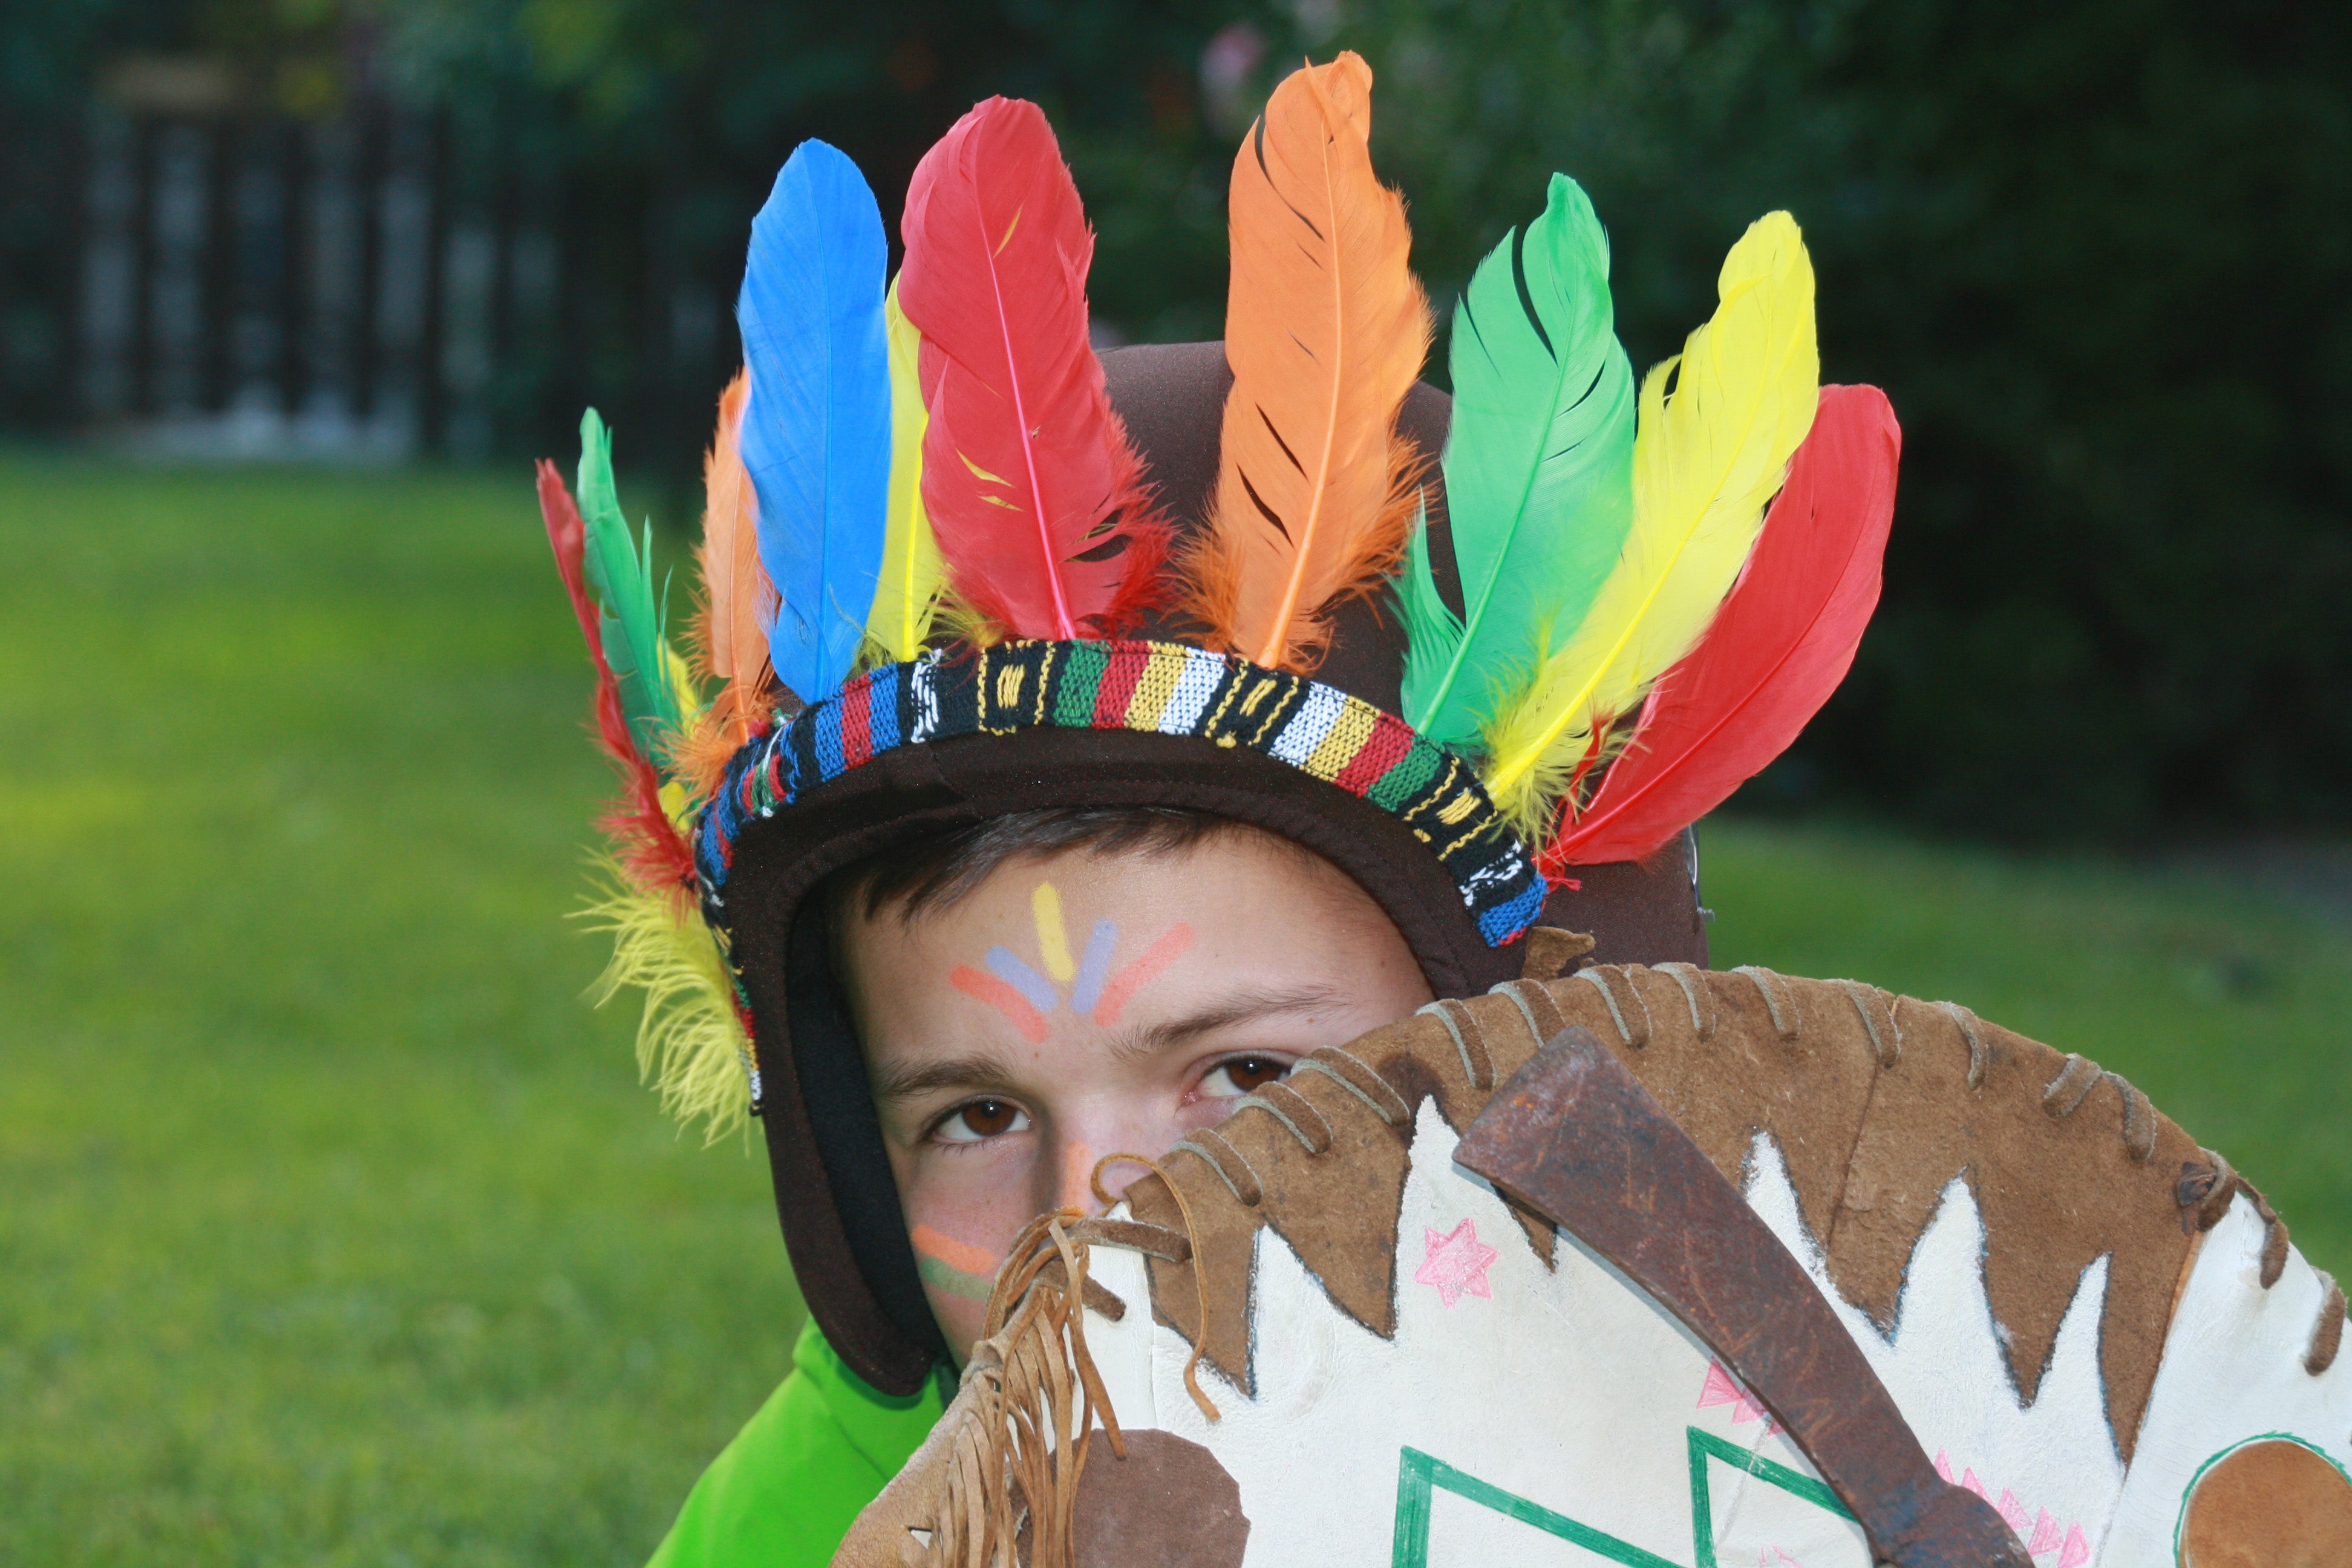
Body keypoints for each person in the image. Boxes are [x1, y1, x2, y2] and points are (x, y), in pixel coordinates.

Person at [539, 54, 1855, 1568]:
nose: (1092, 1226)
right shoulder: (814, 1521)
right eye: (974, 1113)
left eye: (1244, 1073)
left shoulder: (1748, 1507)